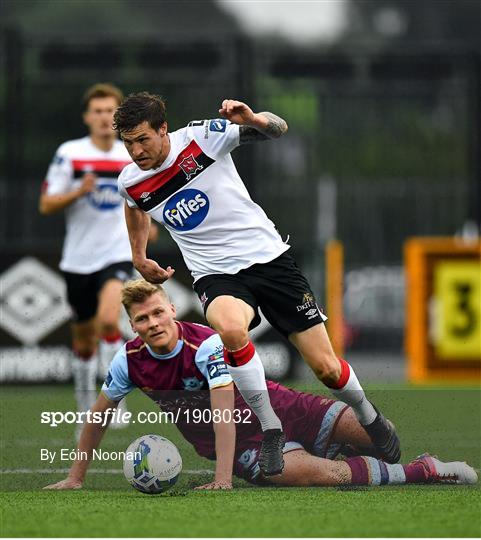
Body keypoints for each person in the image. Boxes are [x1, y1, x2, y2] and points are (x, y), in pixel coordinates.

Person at [112, 93, 400, 476]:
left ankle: (370, 417)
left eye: (142, 139)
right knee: (230, 328)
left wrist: (253, 119)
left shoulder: (202, 138)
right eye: (128, 142)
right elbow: (135, 206)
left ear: (163, 129)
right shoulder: (130, 181)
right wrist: (138, 254)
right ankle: (271, 429)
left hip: (270, 261)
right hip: (216, 274)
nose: (135, 150)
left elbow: (276, 131)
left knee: (327, 368)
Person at [44, 280, 477, 491]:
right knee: (323, 475)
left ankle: (355, 449)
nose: (153, 323)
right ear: (133, 326)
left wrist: (221, 483)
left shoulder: (206, 343)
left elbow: (222, 410)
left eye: (158, 312)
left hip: (282, 407)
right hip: (250, 447)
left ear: (171, 308)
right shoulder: (130, 362)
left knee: (377, 438)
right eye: (142, 319)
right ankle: (425, 470)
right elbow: (99, 415)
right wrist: (76, 476)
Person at [39, 83, 155, 431]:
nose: (105, 117)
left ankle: (113, 400)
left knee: (110, 320)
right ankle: (83, 403)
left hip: (117, 256)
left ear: (119, 117)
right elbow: (46, 204)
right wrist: (79, 191)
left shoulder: (130, 155)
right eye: (99, 111)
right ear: (88, 117)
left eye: (111, 111)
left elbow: (146, 200)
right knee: (84, 341)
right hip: (78, 259)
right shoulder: (70, 153)